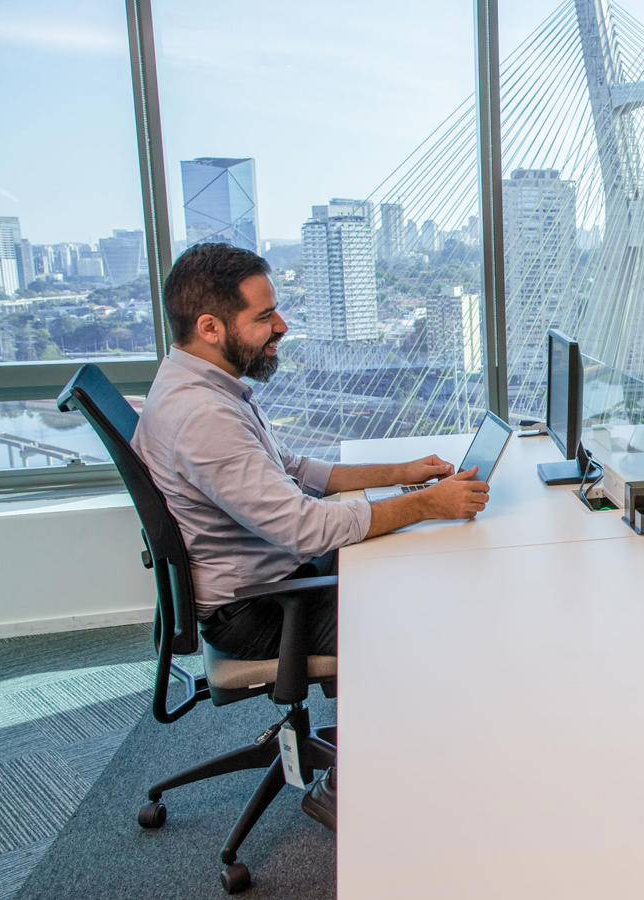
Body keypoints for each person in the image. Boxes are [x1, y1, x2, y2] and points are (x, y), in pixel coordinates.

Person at [132, 242, 490, 830]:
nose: (283, 326)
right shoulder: (204, 418)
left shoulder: (203, 384)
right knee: (423, 614)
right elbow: (303, 527)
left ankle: (388, 748)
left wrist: (400, 474)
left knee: (405, 567)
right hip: (262, 608)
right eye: (264, 317)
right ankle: (354, 784)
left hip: (265, 578)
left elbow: (293, 469)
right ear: (210, 326)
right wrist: (424, 504)